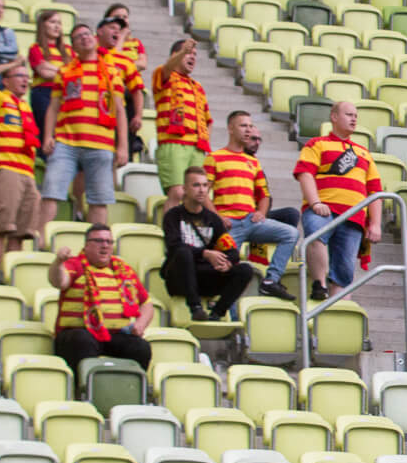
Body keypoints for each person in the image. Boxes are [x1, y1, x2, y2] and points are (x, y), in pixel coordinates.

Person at [205, 111, 299, 302]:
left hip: (251, 220)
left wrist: (261, 212)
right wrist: (218, 217)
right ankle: (225, 309)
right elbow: (203, 193)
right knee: (228, 271)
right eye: (243, 126)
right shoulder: (214, 157)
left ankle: (271, 280)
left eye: (250, 126)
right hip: (228, 224)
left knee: (291, 233)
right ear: (231, 129)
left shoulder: (253, 162)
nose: (248, 130)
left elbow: (263, 194)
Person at [294, 101, 384, 302]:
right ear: (334, 117)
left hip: (354, 215)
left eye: (355, 115)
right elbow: (305, 174)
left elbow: (375, 191)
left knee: (345, 269)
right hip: (322, 209)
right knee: (316, 234)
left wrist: (376, 223)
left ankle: (341, 310)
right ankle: (319, 284)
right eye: (349, 114)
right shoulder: (316, 144)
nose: (354, 119)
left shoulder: (364, 152)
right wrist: (315, 203)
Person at [39, 23, 126, 228]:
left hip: (101, 144)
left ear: (94, 39)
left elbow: (120, 110)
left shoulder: (112, 72)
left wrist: (122, 146)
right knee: (51, 192)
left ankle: (97, 241)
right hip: (66, 143)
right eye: (79, 37)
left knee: (99, 199)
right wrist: (48, 136)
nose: (84, 38)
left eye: (87, 34)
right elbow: (53, 107)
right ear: (74, 46)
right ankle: (39, 238)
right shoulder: (64, 72)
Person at [52, 225, 157, 377]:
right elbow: (59, 281)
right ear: (86, 245)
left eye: (109, 242)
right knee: (82, 341)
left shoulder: (123, 270)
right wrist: (58, 262)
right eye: (99, 241)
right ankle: (84, 387)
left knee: (140, 347)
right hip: (79, 333)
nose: (105, 246)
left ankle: (129, 387)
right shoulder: (75, 264)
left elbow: (146, 303)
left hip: (114, 334)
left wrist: (140, 324)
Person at [161, 166, 255, 321]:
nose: (202, 190)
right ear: (185, 189)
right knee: (183, 252)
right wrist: (205, 253)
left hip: (205, 277)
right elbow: (173, 246)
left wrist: (227, 262)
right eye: (196, 185)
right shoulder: (173, 216)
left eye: (205, 185)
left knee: (245, 269)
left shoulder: (213, 219)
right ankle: (195, 308)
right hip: (179, 278)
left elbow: (232, 251)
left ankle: (217, 314)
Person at [0, 58, 38, 262]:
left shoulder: (26, 107)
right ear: (6, 81)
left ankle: (11, 272)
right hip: (6, 169)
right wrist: (11, 65)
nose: (25, 80)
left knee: (20, 233)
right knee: (1, 227)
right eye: (19, 76)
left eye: (26, 77)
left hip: (27, 173)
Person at [153, 39, 212, 212]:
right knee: (177, 192)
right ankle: (170, 229)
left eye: (195, 54)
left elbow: (208, 120)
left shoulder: (198, 87)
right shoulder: (164, 76)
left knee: (196, 196)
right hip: (173, 143)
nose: (192, 57)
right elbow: (166, 68)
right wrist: (182, 52)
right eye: (188, 53)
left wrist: (204, 142)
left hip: (197, 147)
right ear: (175, 55)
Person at [96, 17, 145, 157]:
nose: (116, 32)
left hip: (115, 117)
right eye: (112, 28)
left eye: (119, 30)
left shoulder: (126, 61)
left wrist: (138, 116)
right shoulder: (88, 54)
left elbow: (136, 90)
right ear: (99, 31)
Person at [27, 10, 70, 134]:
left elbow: (74, 73)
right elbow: (44, 73)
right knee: (46, 132)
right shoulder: (35, 48)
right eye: (52, 22)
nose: (57, 26)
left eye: (59, 23)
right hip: (43, 93)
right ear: (43, 25)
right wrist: (64, 72)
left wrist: (50, 67)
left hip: (64, 93)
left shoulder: (68, 50)